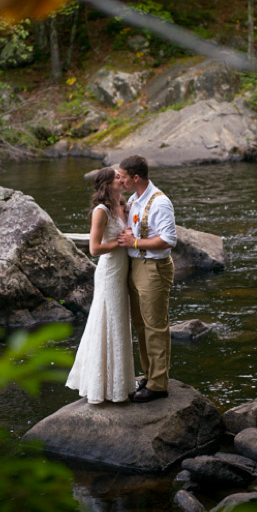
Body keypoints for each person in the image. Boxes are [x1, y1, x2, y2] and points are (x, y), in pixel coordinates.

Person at [66, 167, 135, 404]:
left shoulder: (125, 206)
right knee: (110, 322)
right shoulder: (101, 211)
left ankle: (120, 383)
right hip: (110, 272)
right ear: (107, 183)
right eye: (117, 176)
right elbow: (94, 249)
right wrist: (120, 242)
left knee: (120, 323)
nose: (122, 179)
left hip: (125, 269)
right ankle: (106, 388)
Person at [116, 154, 177, 403]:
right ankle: (149, 375)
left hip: (154, 268)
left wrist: (135, 241)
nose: (119, 180)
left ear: (136, 178)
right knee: (140, 325)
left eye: (122, 177)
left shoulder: (160, 202)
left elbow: (168, 239)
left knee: (155, 325)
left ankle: (159, 384)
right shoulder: (134, 199)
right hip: (135, 266)